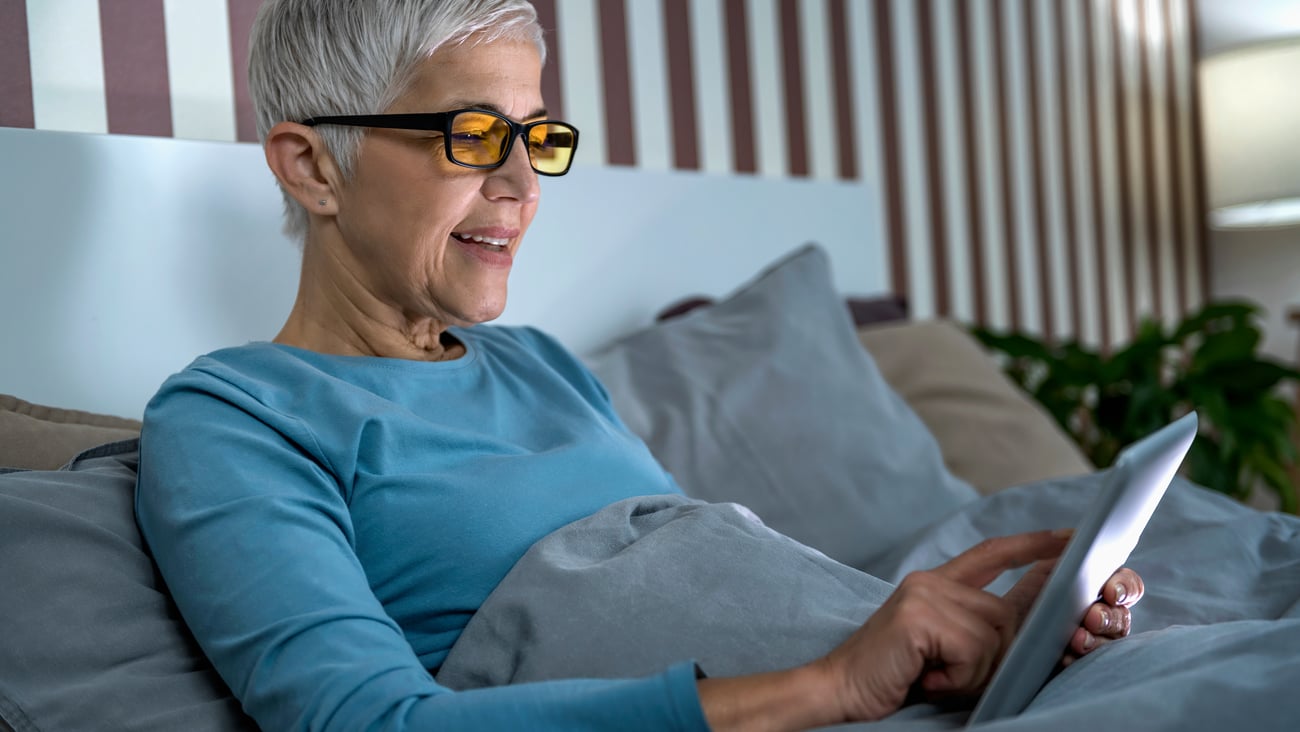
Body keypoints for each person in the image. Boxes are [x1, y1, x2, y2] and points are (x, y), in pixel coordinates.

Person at [134, 1, 1142, 730]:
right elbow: (362, 722)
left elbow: (706, 577)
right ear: (311, 164)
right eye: (475, 134)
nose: (524, 184)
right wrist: (834, 682)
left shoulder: (537, 365)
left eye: (536, 137)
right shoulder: (238, 417)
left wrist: (938, 627)